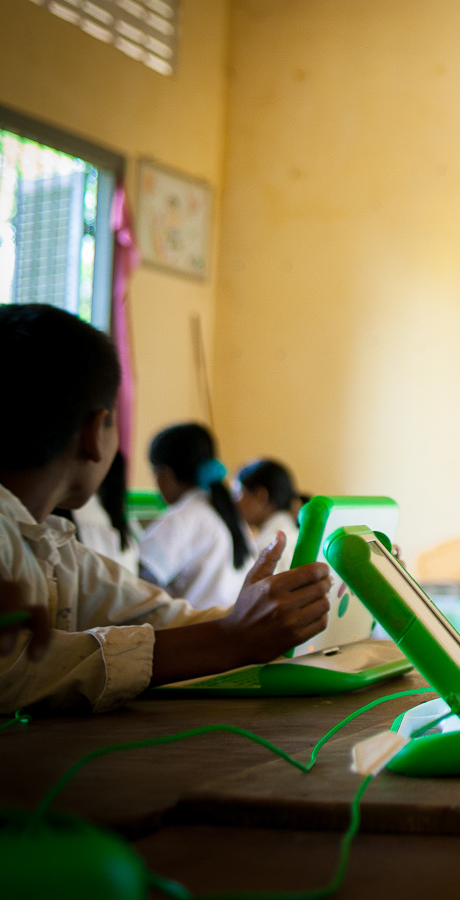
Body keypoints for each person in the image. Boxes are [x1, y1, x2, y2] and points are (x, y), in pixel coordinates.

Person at [0, 304, 332, 713]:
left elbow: (156, 613)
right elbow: (19, 668)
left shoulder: (56, 550)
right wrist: (232, 635)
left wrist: (266, 623)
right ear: (94, 432)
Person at [139, 423, 254, 610]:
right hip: (225, 630)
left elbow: (139, 581)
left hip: (193, 631)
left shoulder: (184, 517)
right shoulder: (226, 513)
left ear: (165, 474)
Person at [235, 458, 302, 555]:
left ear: (260, 497)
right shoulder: (293, 537)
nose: (235, 502)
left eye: (238, 493)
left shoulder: (269, 548)